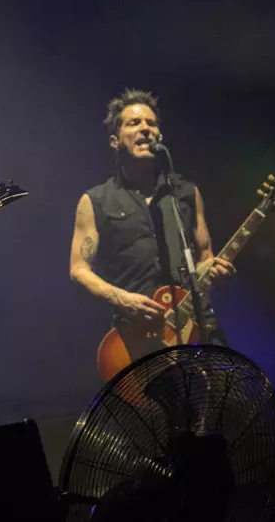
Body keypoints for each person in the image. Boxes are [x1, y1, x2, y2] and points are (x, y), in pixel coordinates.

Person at [69, 89, 234, 360]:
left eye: (151, 123)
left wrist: (216, 272)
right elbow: (79, 269)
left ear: (160, 136)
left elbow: (205, 256)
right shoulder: (96, 201)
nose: (145, 128)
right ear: (114, 141)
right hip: (140, 337)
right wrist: (123, 299)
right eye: (134, 123)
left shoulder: (186, 192)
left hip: (198, 328)